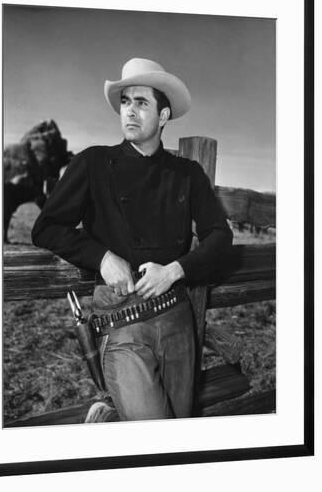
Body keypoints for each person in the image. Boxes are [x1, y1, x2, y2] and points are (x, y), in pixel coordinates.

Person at [31, 57, 233, 421]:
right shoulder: (93, 163)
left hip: (176, 318)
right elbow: (46, 228)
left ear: (164, 115)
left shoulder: (187, 173)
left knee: (180, 432)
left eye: (142, 103)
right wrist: (102, 257)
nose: (130, 111)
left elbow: (220, 236)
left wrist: (174, 270)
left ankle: (110, 425)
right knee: (154, 435)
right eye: (126, 102)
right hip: (120, 321)